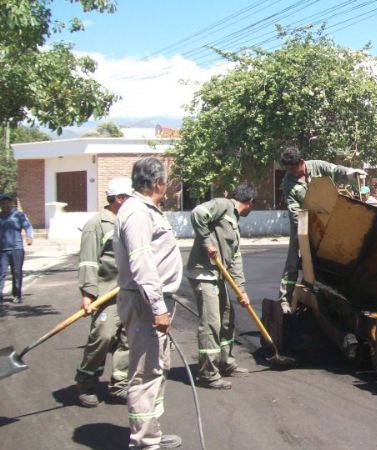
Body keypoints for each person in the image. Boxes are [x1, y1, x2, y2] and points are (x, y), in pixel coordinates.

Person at [113, 157, 183, 449]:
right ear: (157, 183)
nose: (167, 186)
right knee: (144, 373)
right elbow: (142, 263)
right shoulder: (138, 214)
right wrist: (159, 307)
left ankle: (151, 432)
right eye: (166, 180)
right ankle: (144, 442)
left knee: (156, 369)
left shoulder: (144, 210)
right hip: (145, 304)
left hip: (150, 300)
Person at [277, 147, 366, 313]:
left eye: (293, 168)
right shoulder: (288, 183)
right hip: (302, 225)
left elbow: (334, 170)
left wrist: (350, 173)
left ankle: (322, 291)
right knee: (293, 261)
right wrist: (306, 232)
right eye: (287, 169)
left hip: (328, 221)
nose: (290, 172)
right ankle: (285, 300)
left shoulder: (317, 166)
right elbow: (294, 211)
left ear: (301, 163)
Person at [186, 182, 256, 390]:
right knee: (211, 323)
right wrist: (207, 242)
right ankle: (207, 374)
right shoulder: (224, 205)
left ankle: (225, 362)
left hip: (217, 275)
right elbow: (198, 213)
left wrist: (240, 289)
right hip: (203, 274)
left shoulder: (234, 220)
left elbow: (235, 258)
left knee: (227, 317)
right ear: (250, 202)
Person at [75, 177, 133, 408]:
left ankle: (119, 385)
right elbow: (88, 262)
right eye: (130, 198)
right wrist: (88, 293)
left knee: (128, 339)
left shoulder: (129, 221)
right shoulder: (96, 225)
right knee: (103, 336)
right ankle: (86, 381)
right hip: (106, 294)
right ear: (119, 198)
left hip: (129, 291)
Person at [0, 193, 33, 304]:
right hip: (2, 250)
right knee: (2, 272)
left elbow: (27, 226)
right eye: (3, 203)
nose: (5, 205)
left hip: (16, 248)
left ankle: (17, 295)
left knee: (16, 272)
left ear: (11, 203)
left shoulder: (18, 215)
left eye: (7, 202)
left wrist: (29, 237)